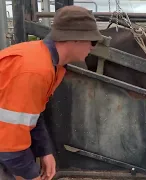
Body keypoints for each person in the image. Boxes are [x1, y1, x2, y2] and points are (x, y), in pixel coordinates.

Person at [0, 5, 103, 180]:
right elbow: (10, 144)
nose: (93, 47)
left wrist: (45, 151)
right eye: (93, 41)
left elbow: (32, 115)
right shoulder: (35, 70)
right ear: (75, 39)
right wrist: (30, 175)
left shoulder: (51, 65)